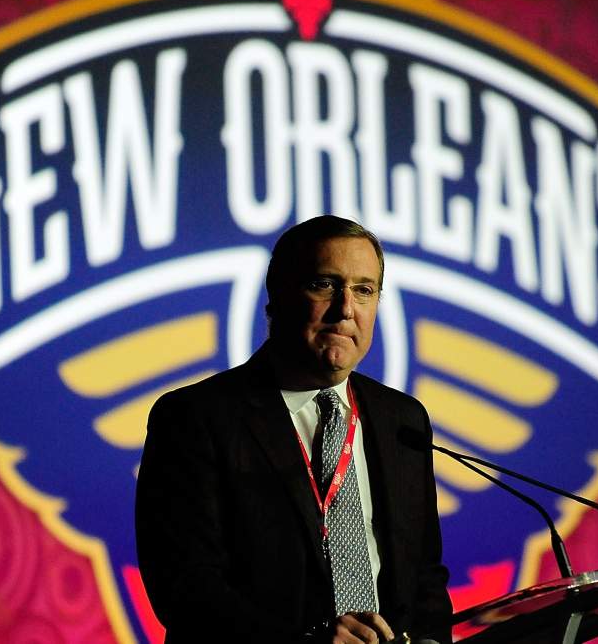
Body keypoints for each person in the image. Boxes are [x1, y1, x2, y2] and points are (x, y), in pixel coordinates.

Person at [135, 215, 452, 643]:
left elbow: (425, 576)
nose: (346, 310)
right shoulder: (196, 418)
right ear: (278, 298)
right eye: (324, 285)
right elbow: (185, 588)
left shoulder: (403, 420)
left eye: (364, 290)